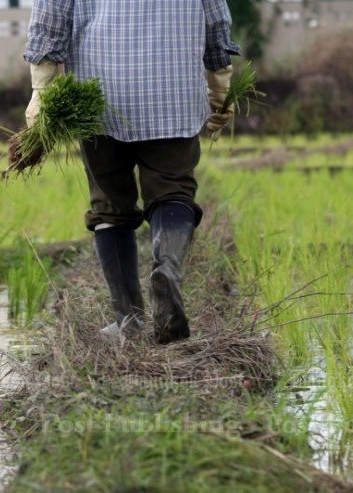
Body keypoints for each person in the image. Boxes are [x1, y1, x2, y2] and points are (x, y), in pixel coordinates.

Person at [24, 0, 240, 344]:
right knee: (173, 190)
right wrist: (220, 87)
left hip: (98, 95)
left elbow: (49, 17)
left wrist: (41, 90)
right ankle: (166, 268)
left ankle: (129, 319)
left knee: (109, 205)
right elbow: (215, 20)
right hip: (173, 91)